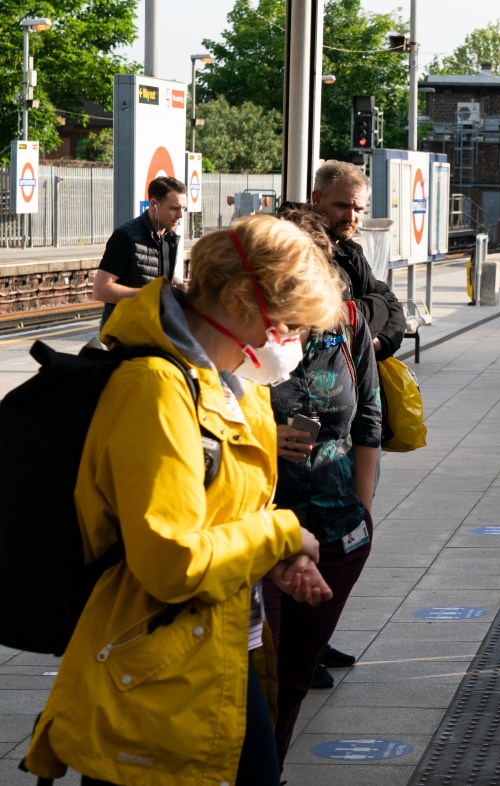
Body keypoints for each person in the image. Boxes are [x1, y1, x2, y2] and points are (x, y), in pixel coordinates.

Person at [24, 214, 346, 785]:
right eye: (289, 324)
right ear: (245, 299)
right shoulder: (155, 387)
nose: (292, 343)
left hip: (222, 651)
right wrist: (282, 534)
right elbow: (171, 561)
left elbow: (227, 514)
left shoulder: (231, 383)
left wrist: (275, 555)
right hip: (152, 673)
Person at [263, 205, 381, 768]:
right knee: (254, 678)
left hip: (336, 532)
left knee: (292, 678)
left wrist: (362, 513)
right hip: (259, 537)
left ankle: (269, 771)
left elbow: (368, 424)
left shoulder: (347, 325)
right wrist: (265, 435)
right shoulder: (244, 336)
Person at [309, 161, 407, 362]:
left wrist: (382, 343)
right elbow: (334, 319)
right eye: (342, 206)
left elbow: (390, 300)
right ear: (317, 199)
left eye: (359, 209)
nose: (351, 217)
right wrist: (378, 305)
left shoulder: (348, 249)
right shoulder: (300, 247)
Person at [92, 176, 187, 325]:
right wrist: (149, 295)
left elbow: (154, 273)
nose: (180, 215)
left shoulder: (169, 237)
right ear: (154, 204)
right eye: (174, 208)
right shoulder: (125, 237)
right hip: (124, 335)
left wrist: (178, 285)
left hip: (152, 330)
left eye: (183, 209)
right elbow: (100, 290)